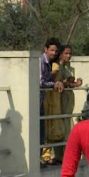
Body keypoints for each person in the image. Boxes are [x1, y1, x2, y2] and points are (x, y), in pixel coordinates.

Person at [39, 37, 64, 166]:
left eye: (56, 51)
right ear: (46, 49)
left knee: (41, 132)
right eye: (51, 50)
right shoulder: (41, 62)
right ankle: (39, 159)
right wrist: (53, 84)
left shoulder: (50, 63)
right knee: (39, 131)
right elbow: (40, 82)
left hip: (42, 100)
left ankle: (39, 159)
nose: (54, 53)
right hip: (37, 100)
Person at [58, 45, 83, 161]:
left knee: (68, 125)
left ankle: (66, 155)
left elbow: (69, 83)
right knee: (61, 126)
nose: (68, 56)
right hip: (60, 99)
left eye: (70, 53)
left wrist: (75, 84)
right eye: (66, 53)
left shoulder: (68, 67)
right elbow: (60, 82)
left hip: (68, 99)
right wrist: (68, 82)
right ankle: (58, 155)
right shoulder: (58, 66)